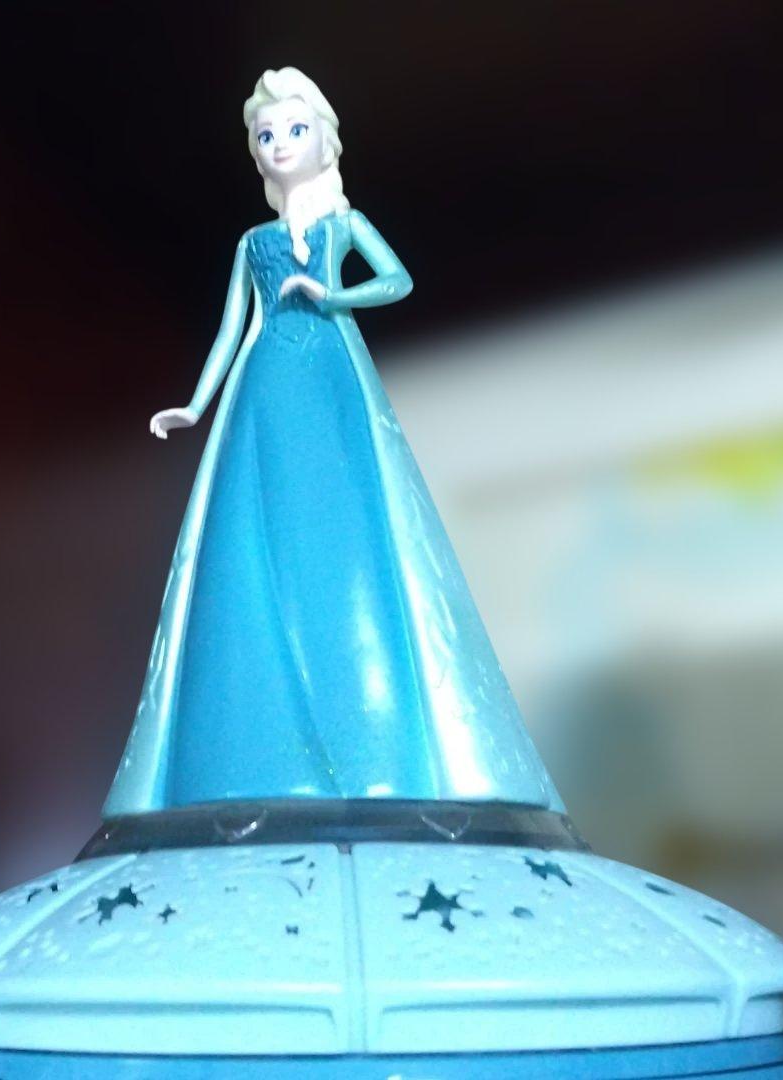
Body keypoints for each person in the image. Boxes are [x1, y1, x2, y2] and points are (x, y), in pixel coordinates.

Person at [105, 68, 561, 817]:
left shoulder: (342, 224)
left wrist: (332, 295)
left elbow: (397, 279)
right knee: (252, 528)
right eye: (266, 136)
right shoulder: (253, 242)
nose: (280, 145)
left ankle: (369, 735)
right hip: (264, 386)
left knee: (349, 522)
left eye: (294, 130)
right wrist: (195, 404)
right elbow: (230, 328)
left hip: (330, 380)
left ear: (324, 140)